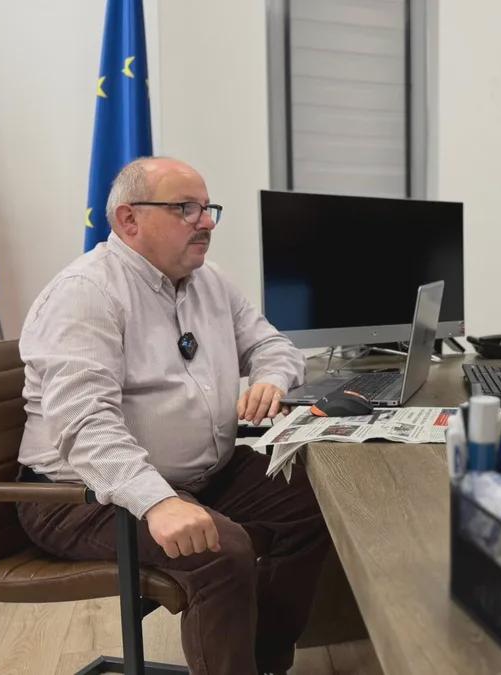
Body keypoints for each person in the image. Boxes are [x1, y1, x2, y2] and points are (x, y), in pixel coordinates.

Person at [16, 157, 326, 675]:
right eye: (186, 208)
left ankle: (262, 660)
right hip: (83, 494)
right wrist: (157, 501)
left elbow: (272, 346)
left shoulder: (210, 282)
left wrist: (270, 378)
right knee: (220, 549)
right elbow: (85, 423)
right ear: (128, 219)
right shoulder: (85, 293)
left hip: (202, 476)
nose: (206, 223)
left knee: (317, 496)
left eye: (207, 208)